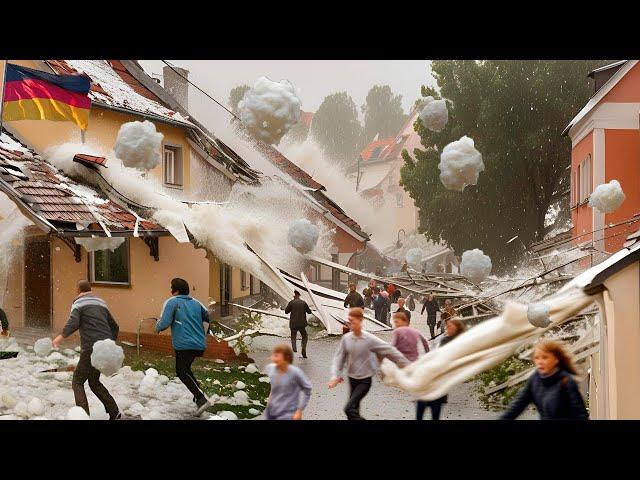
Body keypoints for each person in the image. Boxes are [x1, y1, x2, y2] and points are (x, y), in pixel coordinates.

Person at [52, 280, 121, 420]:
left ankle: (82, 416)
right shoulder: (101, 303)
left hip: (91, 347)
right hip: (105, 347)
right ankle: (114, 412)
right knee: (94, 381)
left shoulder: (78, 303)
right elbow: (115, 326)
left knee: (77, 381)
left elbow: (73, 322)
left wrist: (60, 337)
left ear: (78, 290)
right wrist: (109, 343)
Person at [329, 307, 409, 420]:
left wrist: (408, 365)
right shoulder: (346, 339)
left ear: (361, 320)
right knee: (353, 413)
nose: (350, 324)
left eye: (353, 321)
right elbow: (339, 358)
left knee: (349, 409)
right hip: (352, 379)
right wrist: (335, 375)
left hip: (364, 381)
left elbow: (389, 350)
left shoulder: (369, 339)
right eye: (349, 321)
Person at [156, 277, 212, 416]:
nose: (170, 290)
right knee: (186, 369)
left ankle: (200, 398)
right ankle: (198, 394)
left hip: (184, 344)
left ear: (175, 290)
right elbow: (208, 318)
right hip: (199, 343)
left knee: (181, 371)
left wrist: (157, 327)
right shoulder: (196, 303)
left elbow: (165, 322)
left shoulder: (173, 302)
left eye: (171, 287)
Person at [500, 339, 589, 420]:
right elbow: (516, 407)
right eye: (537, 358)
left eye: (545, 357)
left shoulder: (566, 381)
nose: (540, 362)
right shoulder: (534, 380)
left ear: (556, 360)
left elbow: (581, 415)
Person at [415, 318, 467, 420]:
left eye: (450, 326)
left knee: (434, 406)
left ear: (457, 329)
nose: (447, 328)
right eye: (447, 326)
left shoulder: (459, 342)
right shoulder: (444, 339)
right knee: (423, 405)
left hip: (441, 377)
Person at [264, 343, 312, 420]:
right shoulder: (270, 369)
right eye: (273, 355)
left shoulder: (295, 373)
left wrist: (299, 410)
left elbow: (307, 390)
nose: (273, 358)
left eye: (276, 356)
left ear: (287, 357)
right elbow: (273, 388)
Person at [285, 290, 312, 358]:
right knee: (304, 336)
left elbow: (286, 311)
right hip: (302, 324)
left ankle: (294, 348)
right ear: (299, 295)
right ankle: (303, 349)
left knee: (293, 336)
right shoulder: (303, 303)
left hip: (293, 323)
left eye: (294, 295)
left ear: (295, 295)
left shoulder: (291, 302)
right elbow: (309, 312)